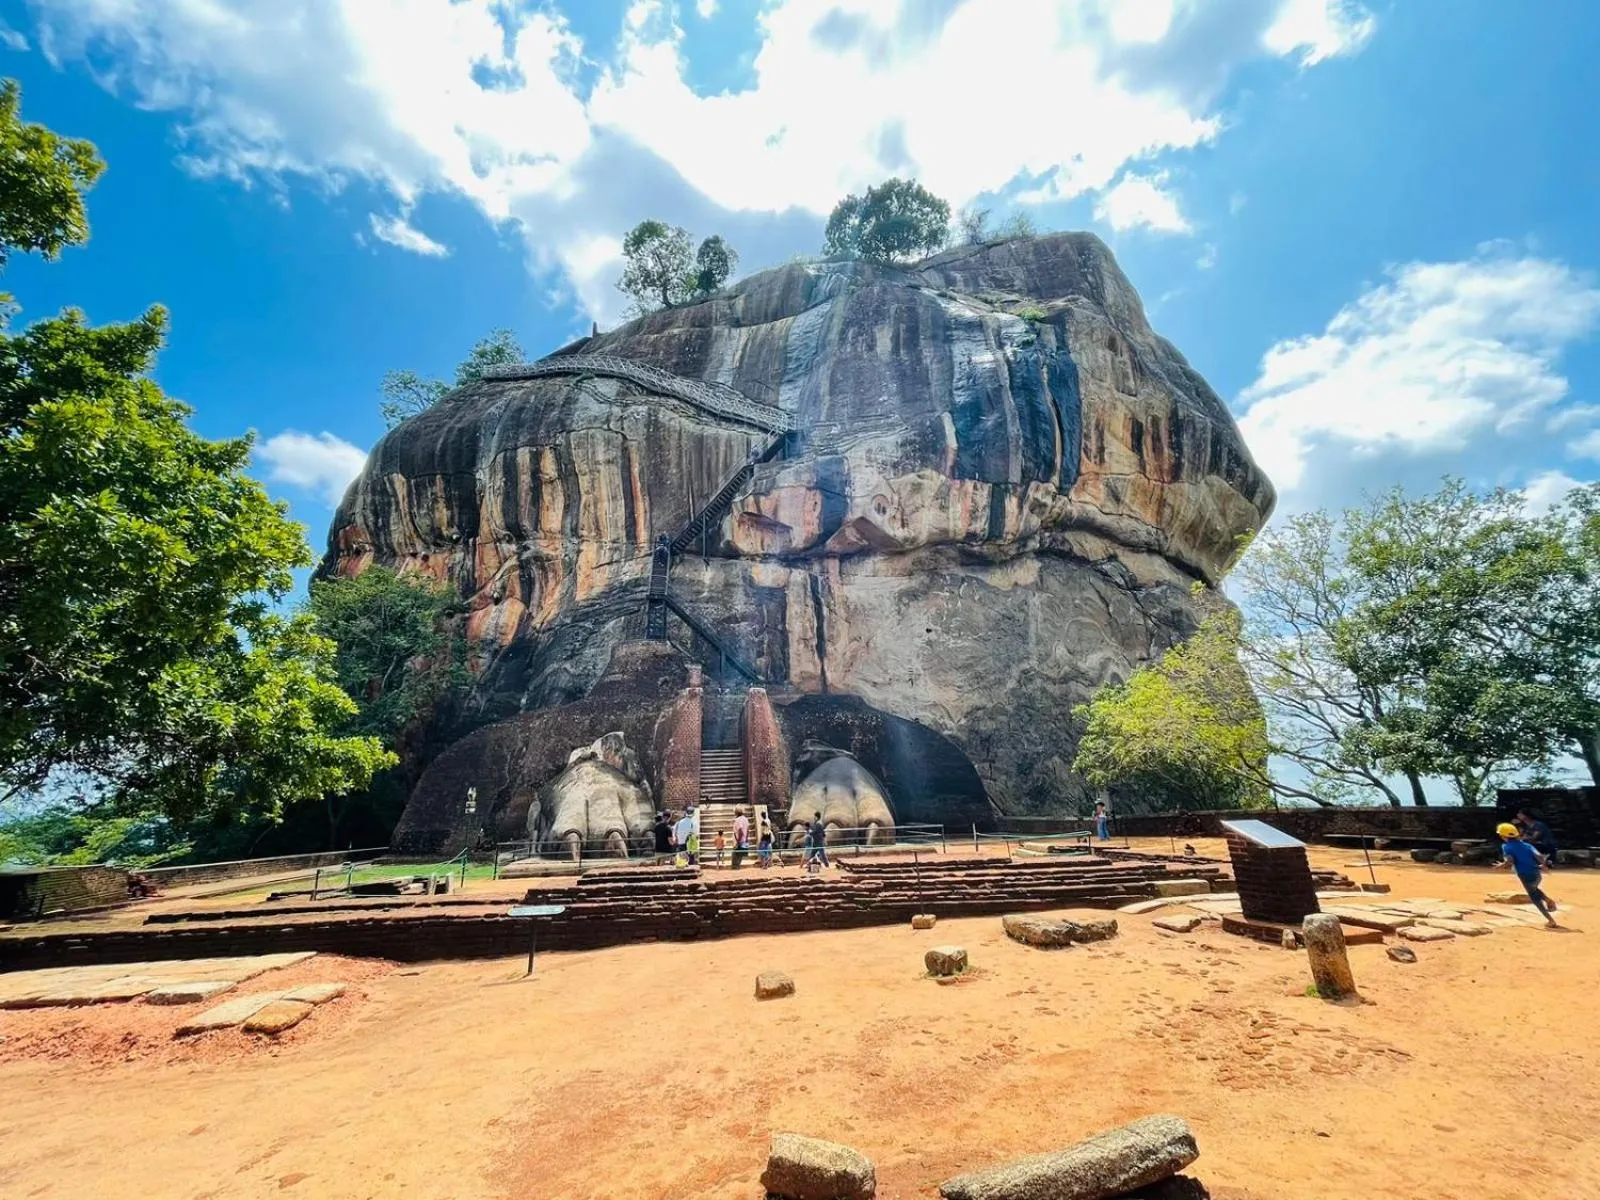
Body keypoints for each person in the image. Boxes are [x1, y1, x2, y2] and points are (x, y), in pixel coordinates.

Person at [1496, 822, 1558, 926]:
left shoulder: (1506, 846)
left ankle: (1551, 920)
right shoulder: (1526, 845)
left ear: (1502, 836)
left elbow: (1510, 861)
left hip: (1524, 874)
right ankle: (1547, 900)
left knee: (1534, 898)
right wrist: (1544, 866)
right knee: (1534, 889)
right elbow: (1539, 856)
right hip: (1536, 873)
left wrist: (1502, 865)